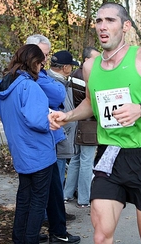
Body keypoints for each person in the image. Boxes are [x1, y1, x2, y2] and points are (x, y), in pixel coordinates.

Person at [48, 2, 141, 244]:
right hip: (109, 155)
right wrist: (68, 116)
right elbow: (90, 103)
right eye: (98, 21)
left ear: (125, 26)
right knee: (101, 236)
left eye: (110, 20)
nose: (102, 27)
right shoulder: (90, 66)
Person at [0, 44, 56, 244]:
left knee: (24, 199)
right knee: (38, 201)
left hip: (20, 151)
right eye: (40, 63)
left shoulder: (4, 85)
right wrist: (52, 118)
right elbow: (38, 120)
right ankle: (30, 240)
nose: (41, 67)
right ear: (35, 63)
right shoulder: (30, 86)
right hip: (39, 152)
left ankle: (19, 238)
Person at [26, 35, 80, 244]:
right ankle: (45, 230)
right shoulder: (29, 80)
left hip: (49, 139)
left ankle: (49, 230)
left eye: (46, 56)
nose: (45, 62)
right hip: (41, 141)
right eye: (42, 56)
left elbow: (57, 95)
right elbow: (57, 97)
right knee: (42, 190)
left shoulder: (41, 76)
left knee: (49, 188)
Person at [64, 47, 100, 208]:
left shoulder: (72, 76)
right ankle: (84, 199)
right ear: (86, 60)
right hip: (88, 124)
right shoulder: (88, 77)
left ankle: (67, 194)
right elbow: (93, 102)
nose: (99, 62)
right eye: (95, 59)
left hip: (76, 123)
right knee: (86, 160)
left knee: (76, 159)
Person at [46, 50, 80, 187]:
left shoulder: (47, 81)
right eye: (71, 66)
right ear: (65, 67)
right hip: (59, 138)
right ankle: (56, 207)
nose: (71, 69)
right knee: (57, 178)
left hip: (58, 138)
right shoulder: (56, 85)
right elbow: (63, 112)